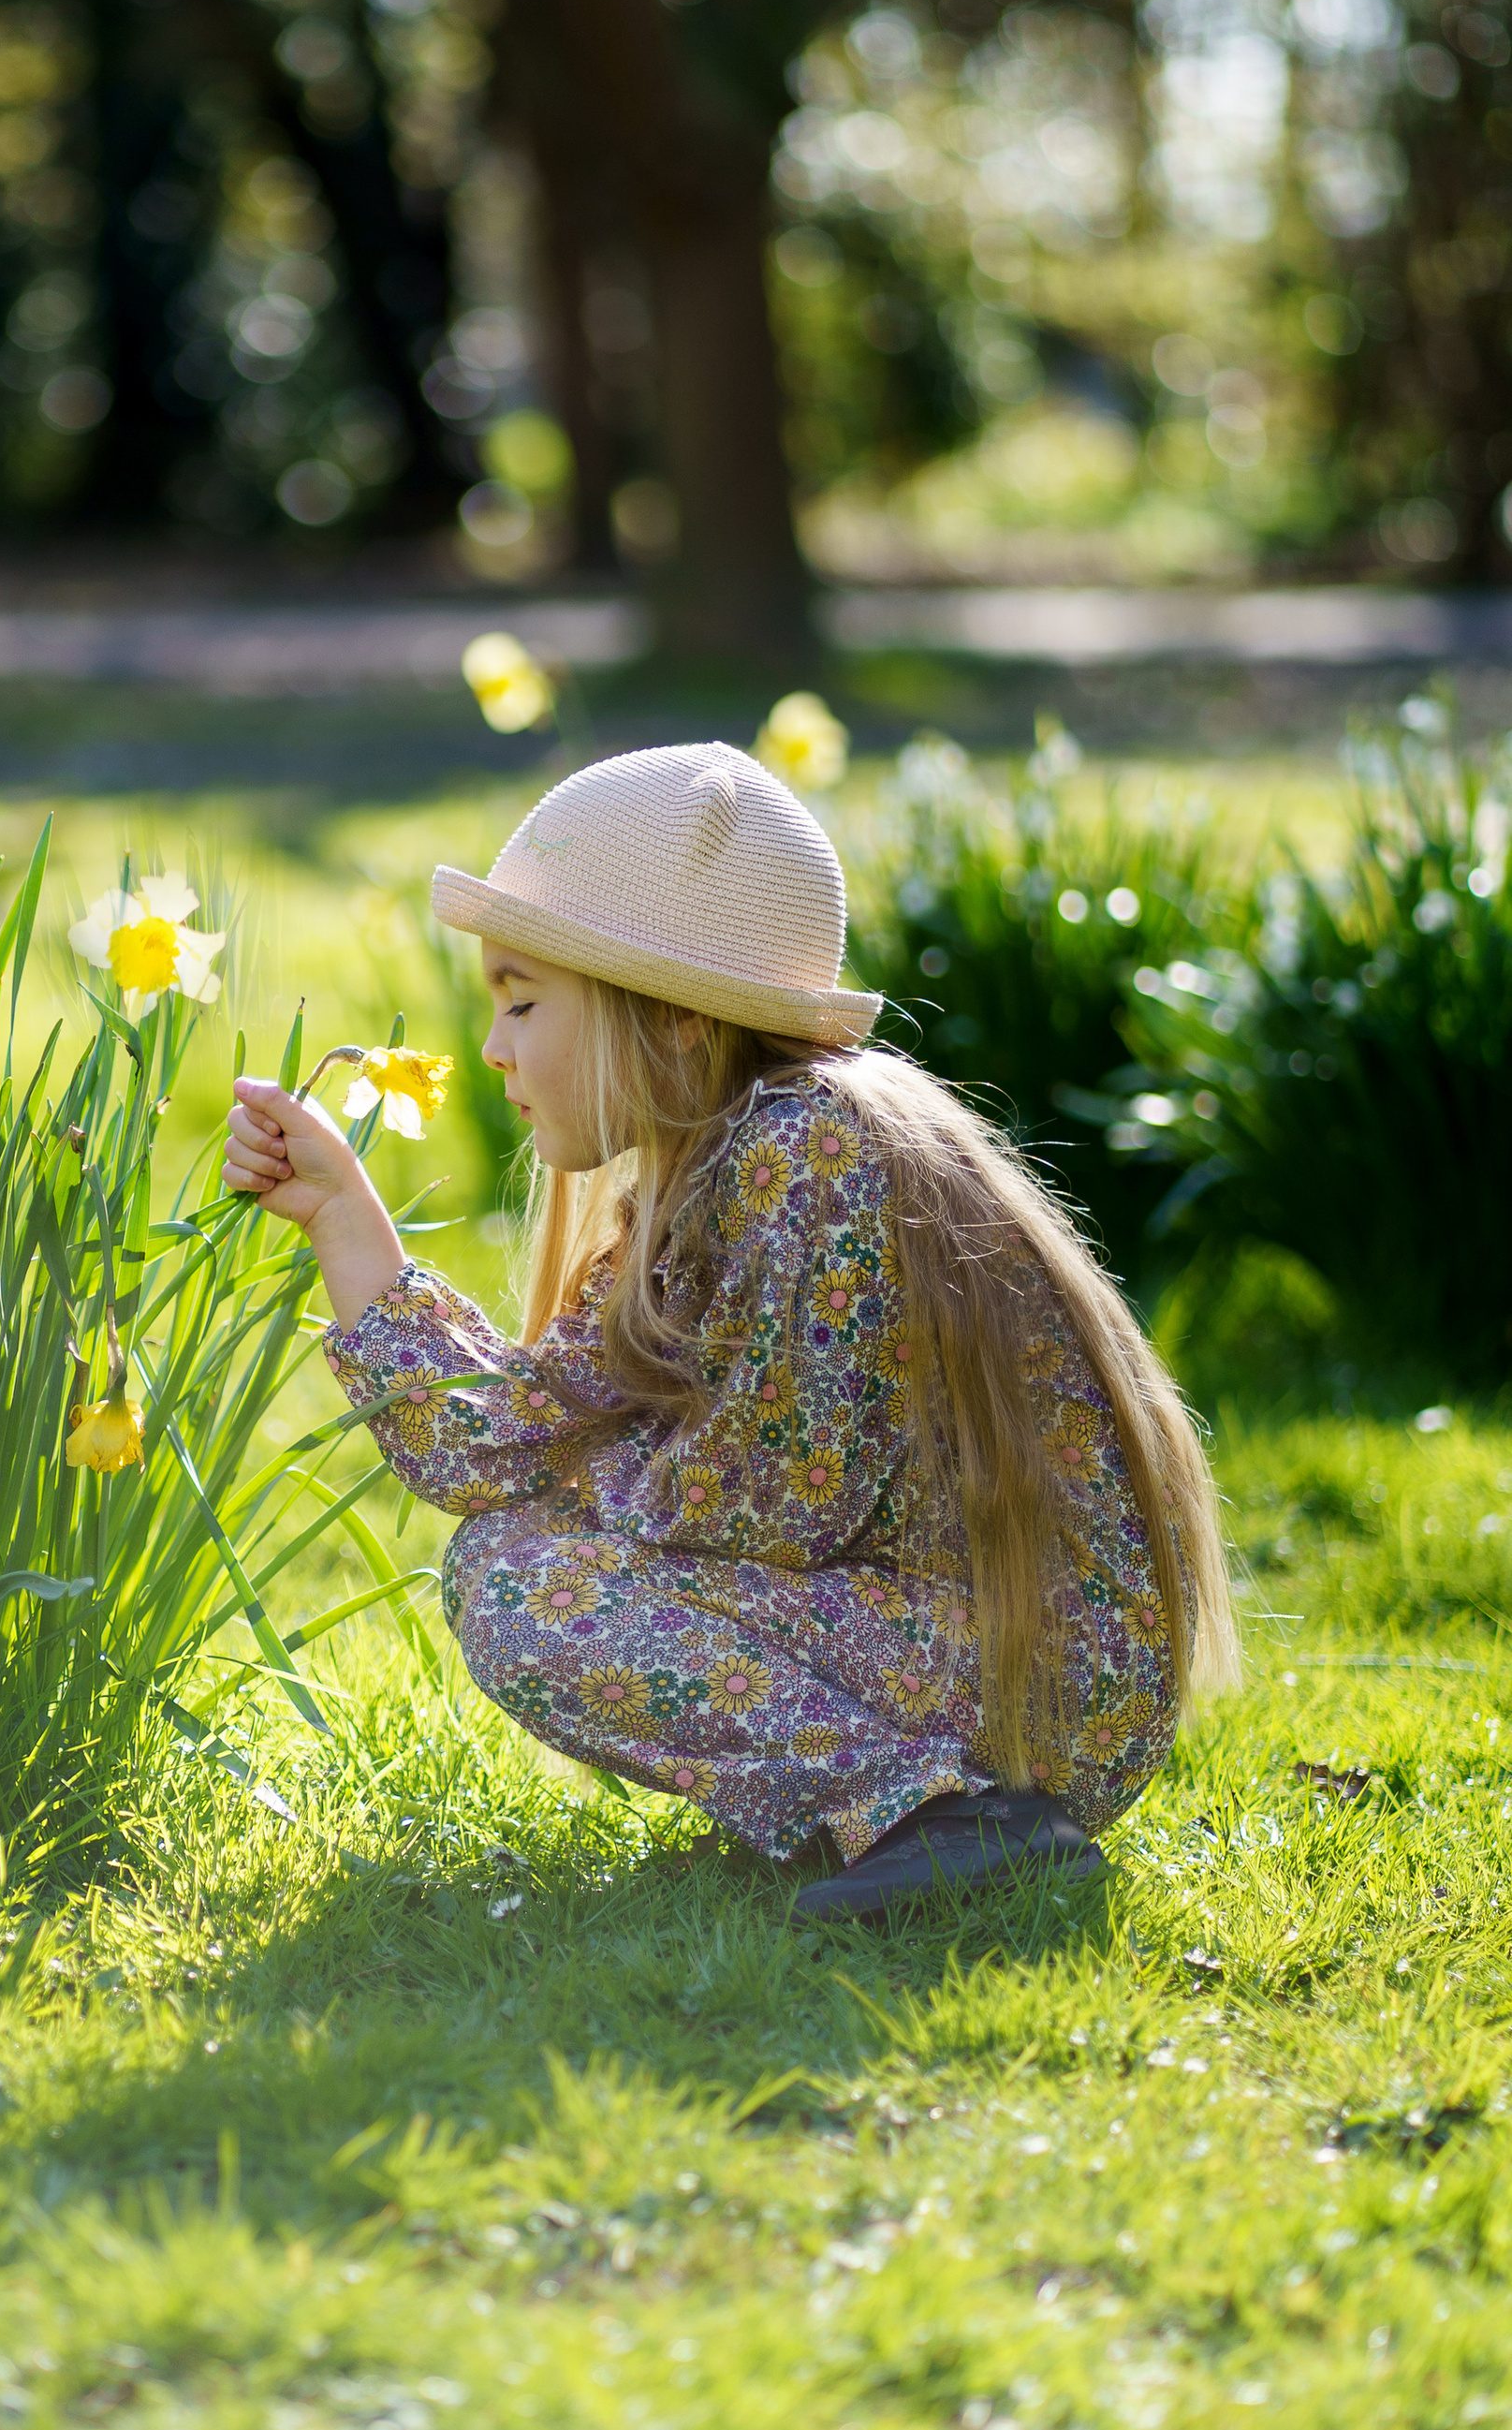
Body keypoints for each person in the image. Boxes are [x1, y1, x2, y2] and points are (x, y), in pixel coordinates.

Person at [223, 741, 1235, 1921]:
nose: (493, 1047)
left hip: (1039, 1686)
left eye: (524, 1001)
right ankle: (912, 1813)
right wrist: (345, 1219)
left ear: (679, 1022)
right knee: (516, 1560)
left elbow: (777, 1503)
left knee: (524, 1583)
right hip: (975, 1661)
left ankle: (942, 1820)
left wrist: (571, 1492)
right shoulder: (718, 1170)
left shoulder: (807, 1157)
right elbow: (488, 1447)